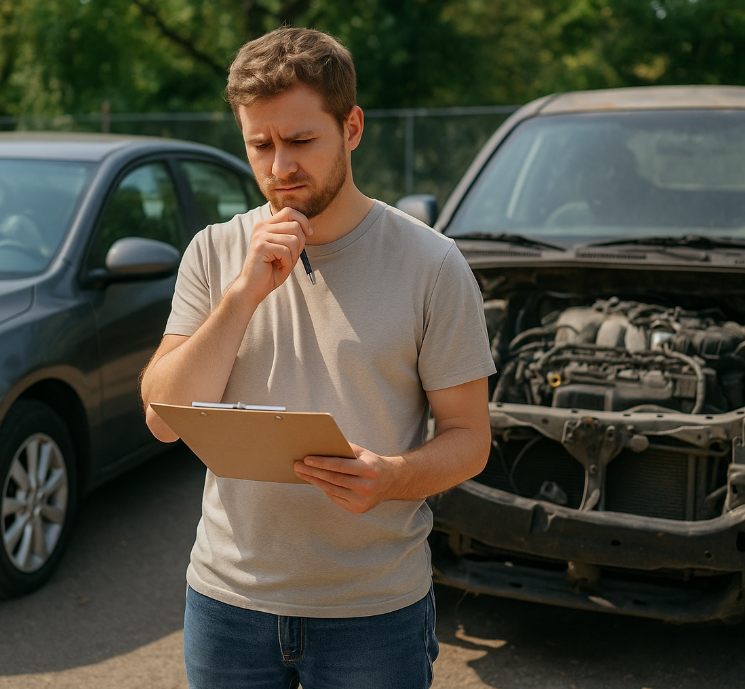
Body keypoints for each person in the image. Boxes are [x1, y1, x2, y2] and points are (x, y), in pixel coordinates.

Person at [139, 26, 495, 689]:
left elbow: (470, 440)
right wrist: (245, 292)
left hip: (374, 609)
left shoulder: (431, 263)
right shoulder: (214, 252)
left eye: (301, 141)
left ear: (351, 127)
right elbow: (163, 417)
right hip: (227, 601)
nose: (280, 167)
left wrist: (390, 475)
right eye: (260, 145)